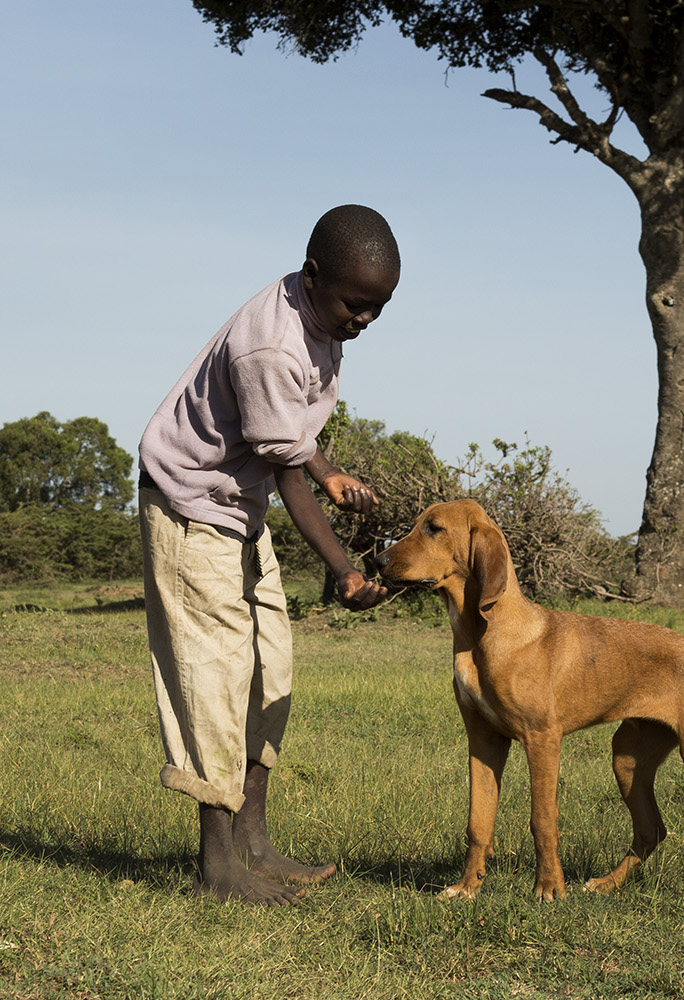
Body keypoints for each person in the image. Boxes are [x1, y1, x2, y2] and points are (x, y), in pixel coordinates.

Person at [138, 204, 400, 905]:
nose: (365, 320)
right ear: (314, 275)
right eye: (356, 304)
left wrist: (331, 471)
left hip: (238, 509)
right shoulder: (273, 346)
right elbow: (284, 470)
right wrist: (342, 568)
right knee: (216, 676)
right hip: (193, 508)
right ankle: (216, 867)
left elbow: (293, 441)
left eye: (378, 308)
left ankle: (255, 843)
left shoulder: (320, 318)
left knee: (267, 668)